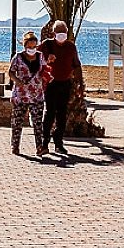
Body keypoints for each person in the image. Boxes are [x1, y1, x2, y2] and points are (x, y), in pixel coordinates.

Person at [38, 21, 83, 159]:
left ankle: (58, 142)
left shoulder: (71, 47)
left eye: (64, 32)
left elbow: (77, 65)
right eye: (59, 33)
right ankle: (45, 142)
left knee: (62, 114)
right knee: (50, 112)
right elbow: (35, 60)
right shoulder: (46, 45)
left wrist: (80, 84)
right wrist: (47, 60)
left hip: (65, 83)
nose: (62, 35)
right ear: (54, 33)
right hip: (51, 84)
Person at [7, 32, 51, 157]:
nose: (32, 49)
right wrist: (17, 81)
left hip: (37, 95)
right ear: (25, 45)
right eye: (30, 46)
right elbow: (11, 72)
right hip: (21, 95)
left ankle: (39, 147)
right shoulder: (18, 57)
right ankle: (15, 146)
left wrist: (48, 73)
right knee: (17, 122)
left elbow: (44, 70)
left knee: (37, 123)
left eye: (34, 46)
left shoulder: (40, 56)